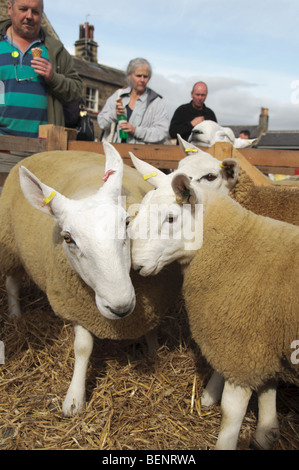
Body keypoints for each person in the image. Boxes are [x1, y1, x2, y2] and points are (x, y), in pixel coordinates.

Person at [0, 0, 82, 138]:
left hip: (43, 146)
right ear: (10, 8)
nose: (29, 16)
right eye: (23, 9)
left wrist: (53, 78)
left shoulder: (56, 50)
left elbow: (76, 91)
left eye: (35, 12)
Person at [98, 58, 169, 144]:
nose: (142, 80)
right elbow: (101, 123)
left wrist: (135, 130)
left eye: (145, 76)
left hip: (142, 154)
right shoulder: (118, 96)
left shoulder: (156, 102)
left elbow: (162, 132)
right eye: (138, 76)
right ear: (129, 76)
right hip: (117, 152)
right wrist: (114, 114)